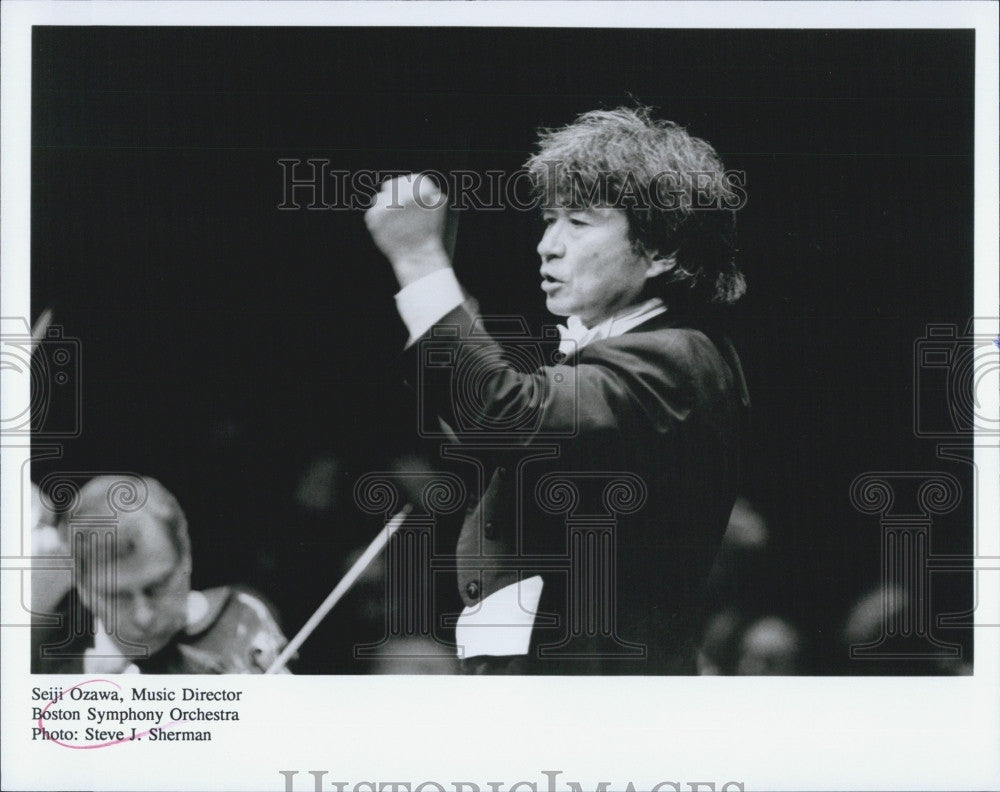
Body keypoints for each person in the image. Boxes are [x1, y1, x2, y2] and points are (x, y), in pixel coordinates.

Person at [364, 106, 750, 674]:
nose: (547, 246)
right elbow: (495, 424)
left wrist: (420, 261)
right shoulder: (636, 358)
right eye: (549, 220)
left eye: (579, 222)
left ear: (662, 249)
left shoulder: (678, 360)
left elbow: (505, 415)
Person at [31, 475, 290, 673]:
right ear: (83, 589)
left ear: (185, 558)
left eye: (158, 586)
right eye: (117, 596)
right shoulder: (39, 662)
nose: (144, 617)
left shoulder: (243, 622)